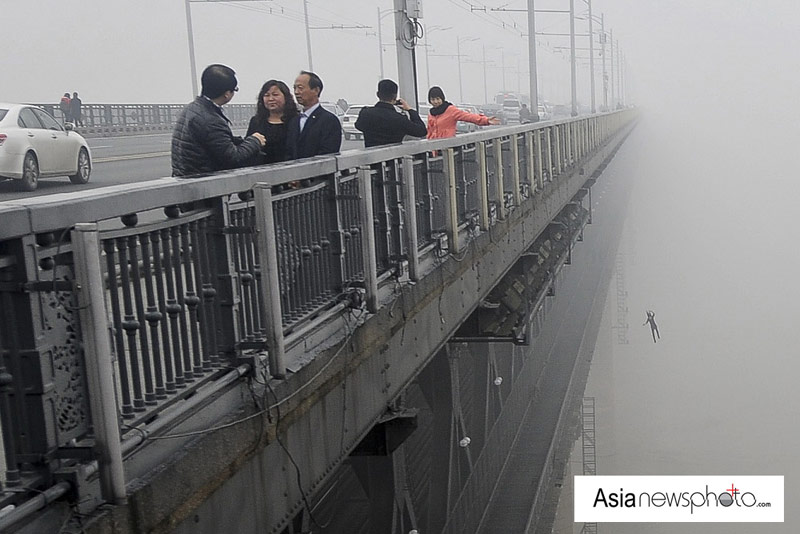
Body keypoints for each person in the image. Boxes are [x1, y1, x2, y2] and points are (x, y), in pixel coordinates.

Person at [171, 64, 266, 177]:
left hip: (186, 179)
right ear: (226, 94)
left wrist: (237, 141)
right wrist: (255, 141)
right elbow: (233, 158)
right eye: (234, 90)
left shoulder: (192, 108)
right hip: (203, 185)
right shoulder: (211, 120)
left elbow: (214, 142)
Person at [286, 70, 342, 160]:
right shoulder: (294, 121)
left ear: (316, 90)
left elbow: (328, 153)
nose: (296, 92)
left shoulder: (329, 120)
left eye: (300, 88)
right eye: (294, 88)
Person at [355, 79, 427, 148]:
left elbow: (358, 126)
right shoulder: (399, 119)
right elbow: (421, 131)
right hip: (392, 159)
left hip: (372, 159)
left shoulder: (366, 113)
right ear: (395, 97)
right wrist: (410, 110)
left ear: (378, 94)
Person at [246, 80, 299, 165]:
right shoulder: (256, 121)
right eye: (267, 95)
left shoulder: (296, 120)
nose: (271, 99)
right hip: (261, 171)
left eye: (275, 95)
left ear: (286, 97)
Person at [425, 86, 500, 139]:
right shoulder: (431, 114)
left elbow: (468, 117)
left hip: (447, 148)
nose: (435, 102)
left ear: (442, 98)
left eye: (438, 99)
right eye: (432, 99)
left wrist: (485, 120)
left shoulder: (450, 110)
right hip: (433, 149)